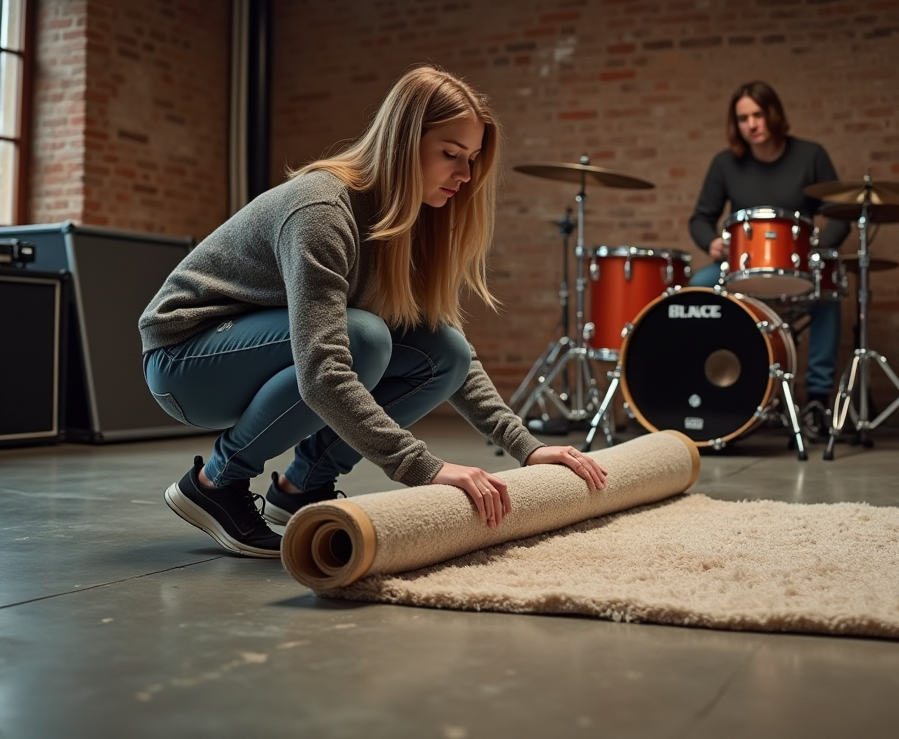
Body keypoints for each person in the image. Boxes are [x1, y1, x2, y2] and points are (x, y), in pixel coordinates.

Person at [139, 65, 608, 558]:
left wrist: (526, 447)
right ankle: (215, 483)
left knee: (443, 351)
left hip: (261, 352)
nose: (465, 175)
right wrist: (424, 468)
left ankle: (302, 487)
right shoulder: (321, 210)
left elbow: (458, 359)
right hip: (185, 362)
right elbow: (323, 372)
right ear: (404, 143)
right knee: (363, 338)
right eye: (450, 154)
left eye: (471, 159)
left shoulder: (412, 220)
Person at [687, 81, 848, 425]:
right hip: (741, 267)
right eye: (743, 118)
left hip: (796, 266)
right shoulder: (725, 163)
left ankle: (817, 400)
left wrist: (816, 252)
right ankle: (716, 386)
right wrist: (711, 242)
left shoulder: (811, 155)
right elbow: (701, 218)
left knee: (828, 297)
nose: (752, 125)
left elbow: (839, 214)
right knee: (697, 288)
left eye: (758, 115)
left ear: (773, 114)